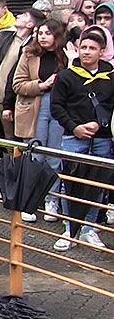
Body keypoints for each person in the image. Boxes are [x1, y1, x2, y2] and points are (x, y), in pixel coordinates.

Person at [50, 25, 114, 251]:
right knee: (71, 182)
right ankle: (70, 228)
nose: (86, 51)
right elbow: (57, 107)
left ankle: (89, 227)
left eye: (92, 48)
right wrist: (74, 127)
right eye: (83, 47)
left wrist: (101, 124)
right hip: (74, 137)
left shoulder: (110, 77)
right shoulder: (66, 75)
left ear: (101, 50)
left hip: (102, 138)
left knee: (98, 184)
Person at [0, 8, 44, 198]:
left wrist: (9, 103)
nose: (18, 16)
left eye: (23, 15)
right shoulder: (5, 36)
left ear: (31, 24)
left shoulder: (33, 46)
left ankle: (11, 181)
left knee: (11, 143)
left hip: (11, 102)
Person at [11, 19, 69, 222]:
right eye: (40, 33)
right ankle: (31, 201)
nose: (42, 37)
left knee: (55, 156)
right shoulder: (29, 53)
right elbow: (17, 84)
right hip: (36, 105)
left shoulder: (68, 55)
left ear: (57, 35)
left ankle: (51, 200)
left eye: (47, 33)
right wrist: (42, 85)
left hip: (60, 107)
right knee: (35, 154)